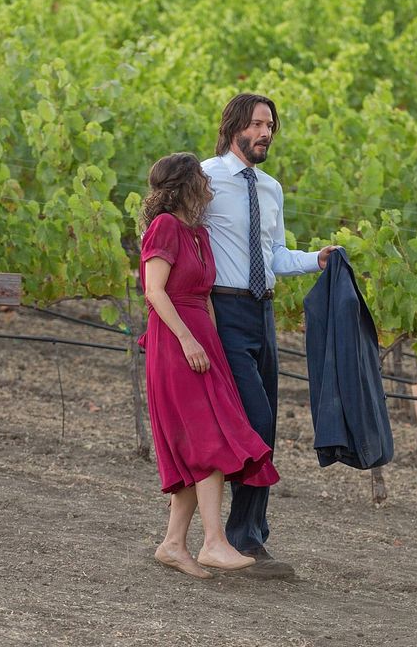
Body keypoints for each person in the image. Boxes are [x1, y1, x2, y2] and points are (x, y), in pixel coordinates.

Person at [202, 93, 339, 579]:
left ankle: (249, 538)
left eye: (271, 126)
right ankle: (238, 539)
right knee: (252, 422)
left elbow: (276, 254)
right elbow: (179, 239)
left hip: (263, 313)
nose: (266, 133)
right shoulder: (205, 178)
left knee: (268, 427)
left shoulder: (271, 188)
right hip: (223, 310)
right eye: (258, 124)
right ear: (236, 126)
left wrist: (315, 259)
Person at [138, 151, 281, 579]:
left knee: (201, 443)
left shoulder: (197, 233)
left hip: (203, 341)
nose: (209, 181)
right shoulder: (165, 227)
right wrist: (187, 340)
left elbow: (205, 295)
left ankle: (173, 544)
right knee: (208, 440)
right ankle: (215, 543)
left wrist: (212, 346)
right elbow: (155, 291)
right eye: (201, 176)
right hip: (176, 341)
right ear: (184, 184)